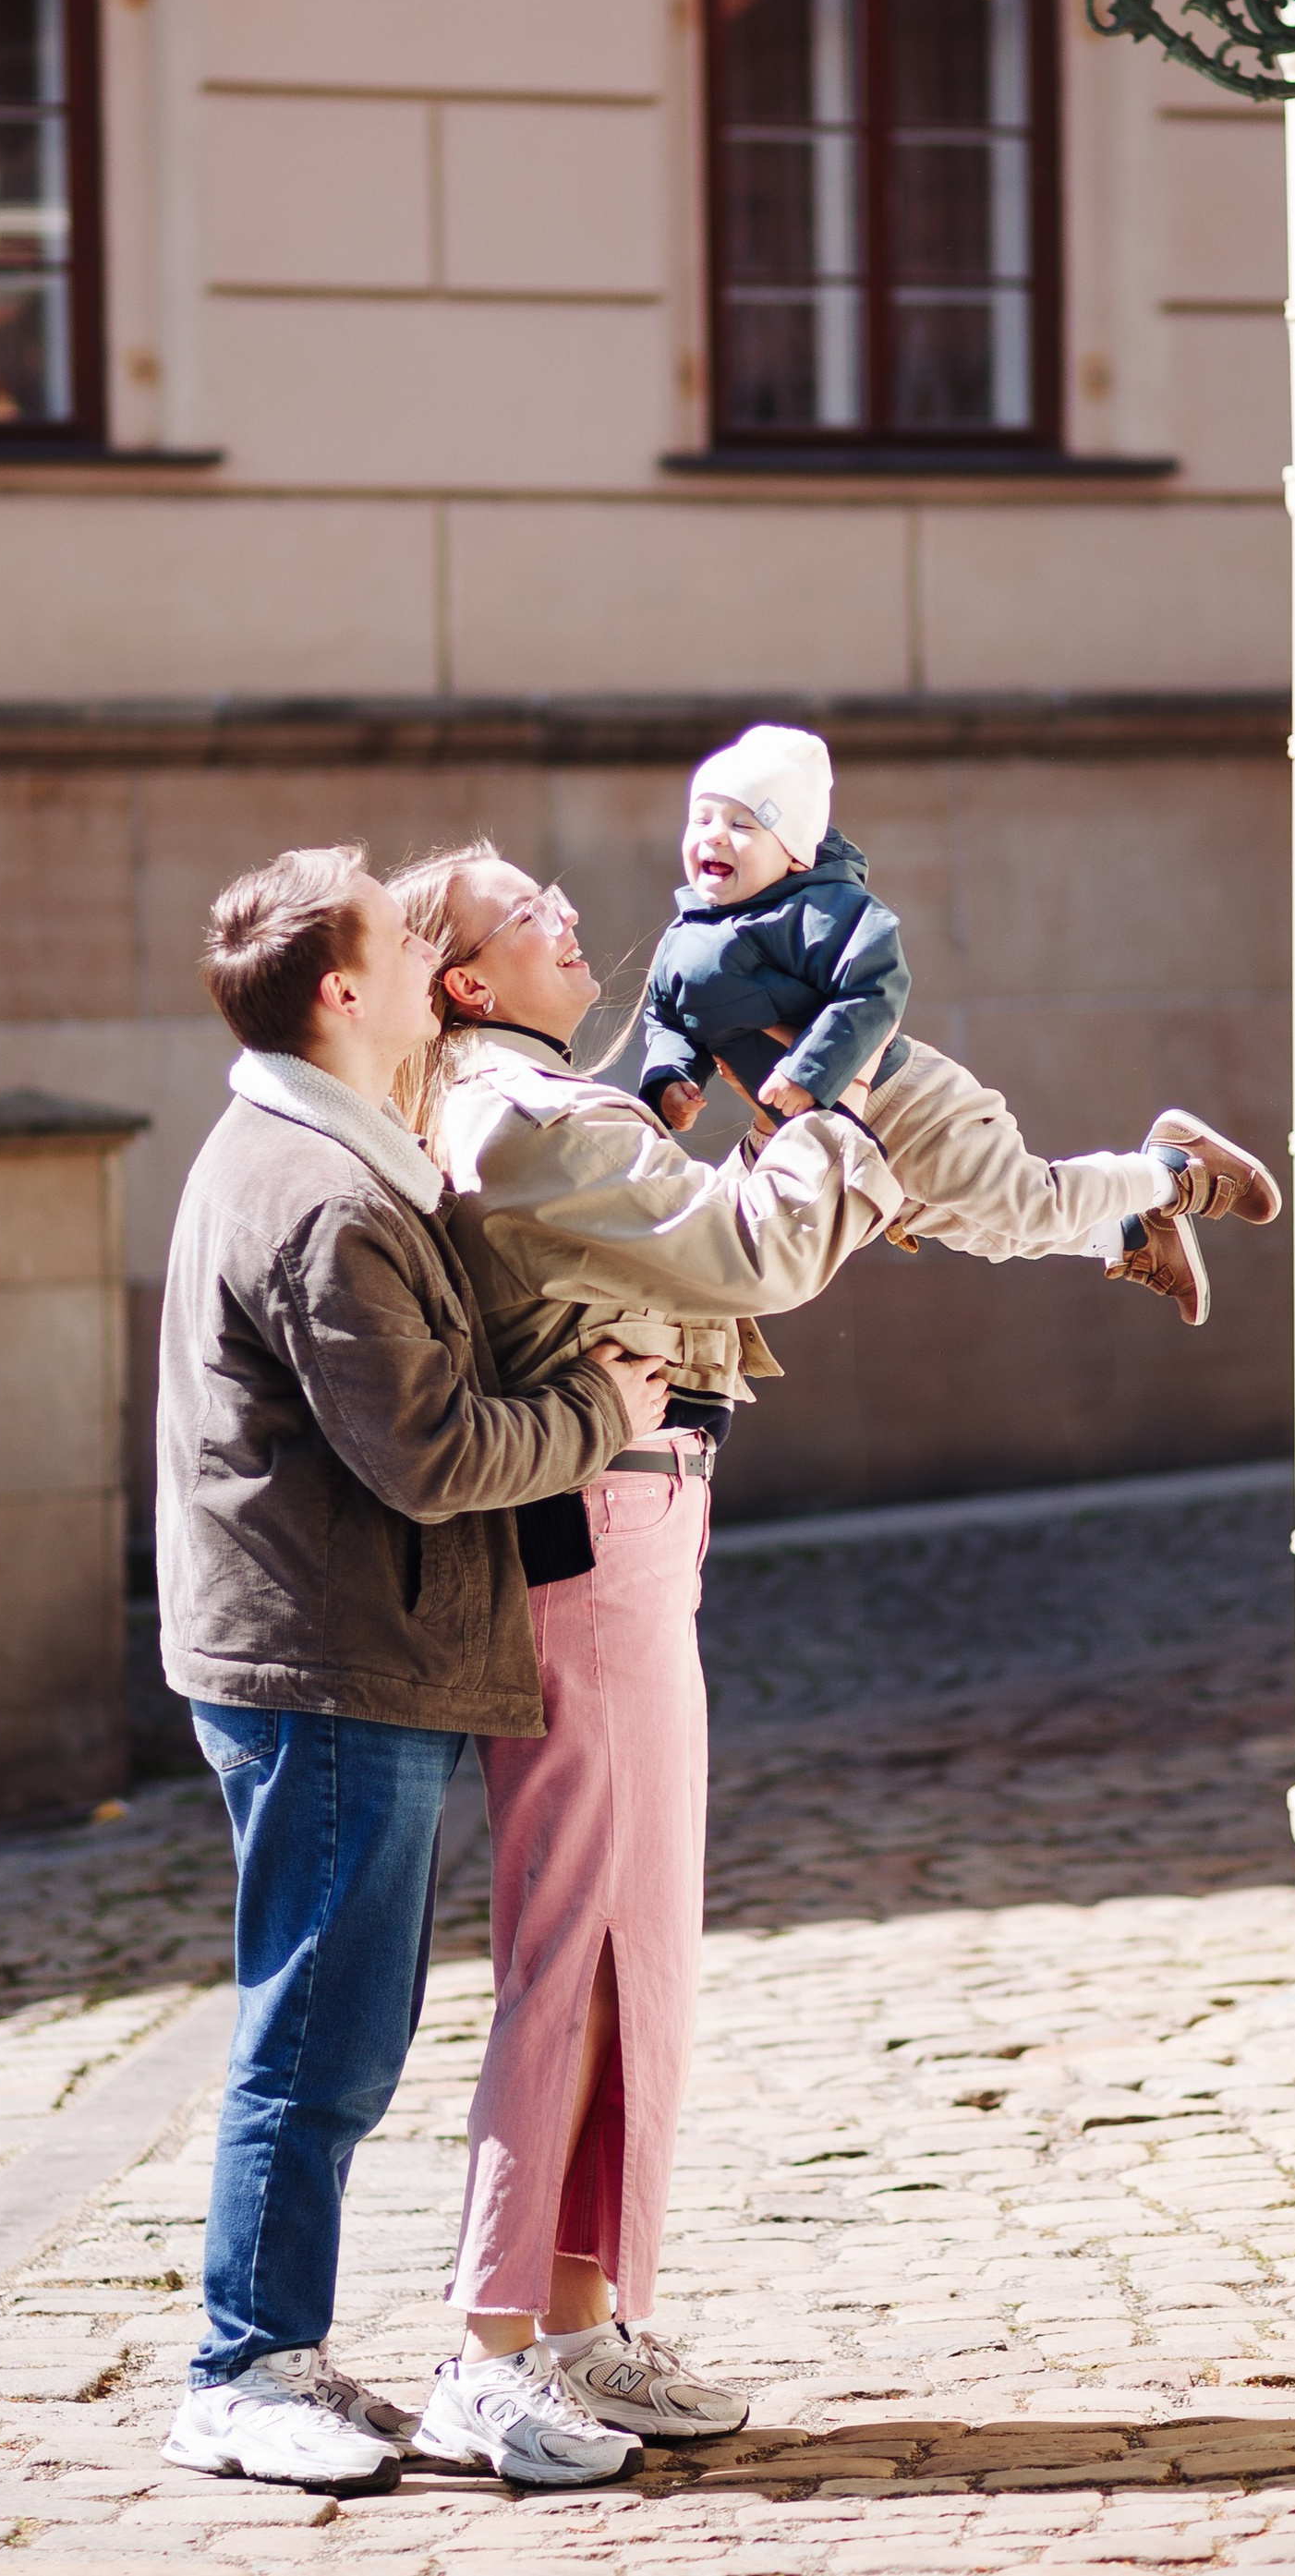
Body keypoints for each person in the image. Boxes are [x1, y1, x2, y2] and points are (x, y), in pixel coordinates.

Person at [384, 842, 907, 2485]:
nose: (569, 916)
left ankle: (582, 2316)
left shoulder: (542, 1098)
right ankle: (488, 2344)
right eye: (524, 910)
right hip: (592, 1536)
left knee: (639, 1954)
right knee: (578, 1946)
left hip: (641, 1523)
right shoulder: (518, 1114)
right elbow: (750, 1255)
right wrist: (837, 1097)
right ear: (464, 981)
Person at [156, 844, 671, 2502]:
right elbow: (436, 1451)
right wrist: (613, 1411)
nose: (421, 951)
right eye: (395, 937)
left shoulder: (331, 1152)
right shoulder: (316, 1196)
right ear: (346, 993)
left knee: (342, 2021)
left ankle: (278, 2351)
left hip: (343, 1651)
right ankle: (242, 2370)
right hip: (323, 1662)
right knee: (317, 2031)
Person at [642, 723, 1282, 1324]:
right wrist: (670, 1074)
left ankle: (1173, 1170)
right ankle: (1129, 1231)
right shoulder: (684, 939)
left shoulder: (816, 908)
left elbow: (874, 986)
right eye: (701, 818)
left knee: (1027, 1202)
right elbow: (667, 1015)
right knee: (985, 1231)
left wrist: (813, 1070)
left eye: (742, 823)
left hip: (903, 1100)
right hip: (821, 1130)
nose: (714, 835)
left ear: (793, 853)